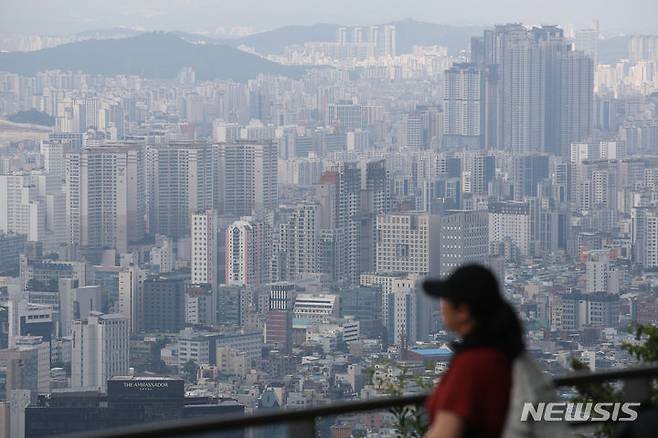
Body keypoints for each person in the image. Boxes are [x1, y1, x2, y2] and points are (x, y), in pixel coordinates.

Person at [423, 264, 525, 438]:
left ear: (462, 311)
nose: (441, 306)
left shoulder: (472, 364)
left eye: (445, 299)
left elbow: (446, 432)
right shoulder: (501, 352)